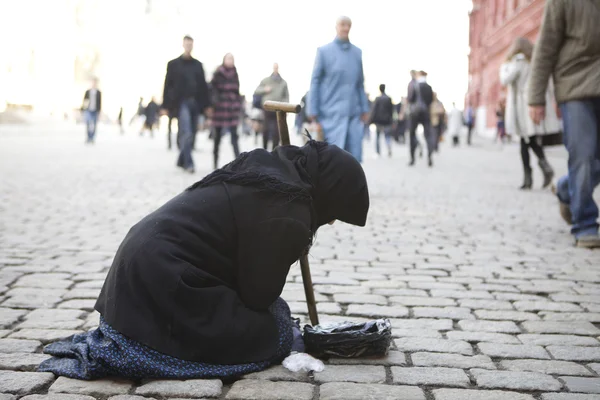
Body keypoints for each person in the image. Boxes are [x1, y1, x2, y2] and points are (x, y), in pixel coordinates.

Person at [38, 140, 369, 380]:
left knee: (275, 318)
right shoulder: (290, 212)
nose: (331, 221)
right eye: (334, 213)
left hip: (134, 282)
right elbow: (258, 295)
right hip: (163, 280)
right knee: (276, 329)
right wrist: (292, 247)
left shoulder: (270, 169)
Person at [528, 0, 600, 248]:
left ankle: (565, 187)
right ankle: (586, 224)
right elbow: (545, 48)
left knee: (592, 162)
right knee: (583, 154)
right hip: (576, 88)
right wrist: (536, 98)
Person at [307, 16, 370, 163]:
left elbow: (360, 83)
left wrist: (364, 109)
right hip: (329, 115)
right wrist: (313, 111)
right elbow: (315, 81)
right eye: (342, 25)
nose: (346, 28)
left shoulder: (357, 53)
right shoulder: (323, 52)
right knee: (331, 161)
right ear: (336, 27)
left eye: (348, 25)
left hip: (353, 114)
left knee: (354, 160)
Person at [500, 37, 558, 191]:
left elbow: (505, 79)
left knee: (526, 140)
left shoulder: (517, 63)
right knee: (527, 140)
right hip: (530, 105)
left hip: (522, 107)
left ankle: (532, 174)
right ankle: (539, 171)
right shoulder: (535, 62)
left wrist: (510, 66)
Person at [161, 35, 211, 174]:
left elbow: (203, 87)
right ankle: (189, 163)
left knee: (192, 133)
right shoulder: (173, 64)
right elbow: (167, 85)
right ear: (183, 45)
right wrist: (164, 106)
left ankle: (180, 159)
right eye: (186, 44)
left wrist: (207, 105)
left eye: (191, 44)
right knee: (187, 132)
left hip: (195, 102)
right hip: (181, 103)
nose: (188, 46)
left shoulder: (198, 65)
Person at [211, 53, 242, 169]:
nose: (231, 61)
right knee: (217, 138)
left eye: (232, 59)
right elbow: (212, 89)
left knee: (234, 137)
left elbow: (237, 90)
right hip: (219, 108)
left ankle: (239, 162)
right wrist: (215, 102)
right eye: (229, 59)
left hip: (231, 109)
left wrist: (237, 104)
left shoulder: (235, 73)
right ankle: (215, 162)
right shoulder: (218, 73)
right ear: (224, 60)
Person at [254, 63, 289, 150]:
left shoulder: (283, 83)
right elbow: (257, 90)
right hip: (267, 109)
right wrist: (265, 89)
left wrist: (285, 107)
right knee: (265, 130)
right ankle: (264, 150)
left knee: (276, 132)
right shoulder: (266, 80)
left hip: (278, 109)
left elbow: (286, 96)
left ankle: (274, 151)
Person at [407, 71, 435, 167]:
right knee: (428, 135)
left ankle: (412, 158)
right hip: (425, 112)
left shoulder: (414, 85)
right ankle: (430, 157)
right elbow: (430, 101)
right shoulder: (429, 87)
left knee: (412, 134)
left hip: (414, 113)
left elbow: (410, 98)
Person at [370, 84, 394, 157]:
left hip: (378, 121)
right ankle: (388, 146)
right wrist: (392, 120)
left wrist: (371, 119)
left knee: (377, 137)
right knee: (387, 135)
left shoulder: (377, 99)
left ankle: (378, 152)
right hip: (387, 120)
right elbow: (391, 110)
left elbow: (374, 110)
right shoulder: (388, 98)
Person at [82, 78, 101, 144]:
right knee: (88, 123)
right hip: (88, 110)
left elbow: (100, 102)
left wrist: (99, 112)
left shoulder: (98, 92)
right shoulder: (87, 91)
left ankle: (92, 138)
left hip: (95, 110)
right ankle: (88, 137)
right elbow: (84, 101)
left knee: (94, 124)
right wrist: (83, 109)